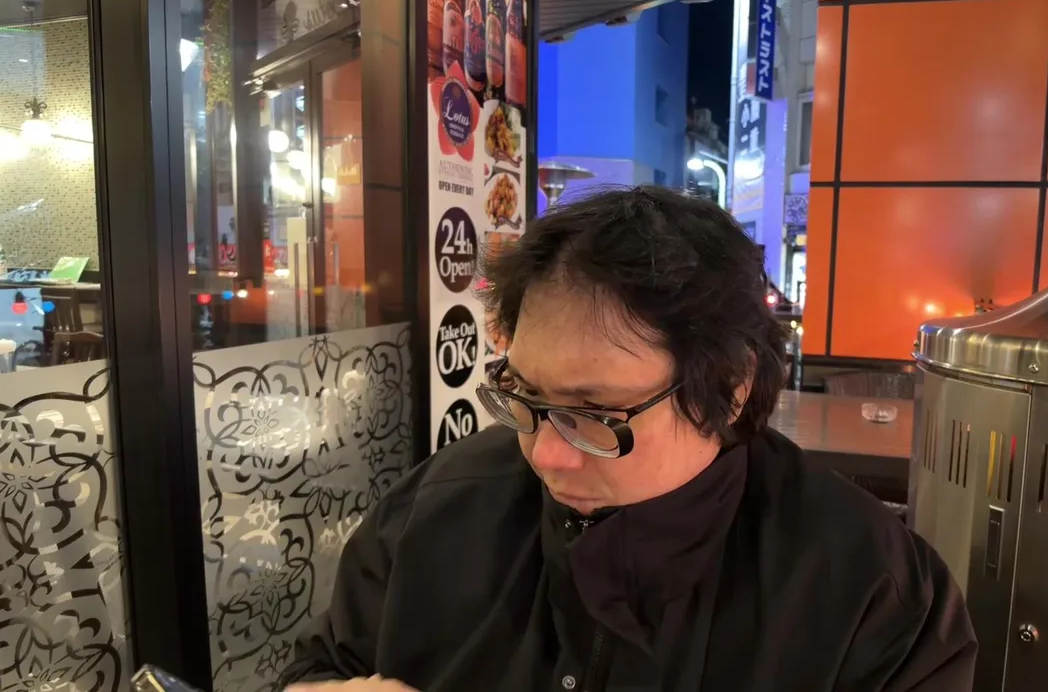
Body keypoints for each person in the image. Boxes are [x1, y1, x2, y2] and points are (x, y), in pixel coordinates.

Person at [282, 186, 976, 692]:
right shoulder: (436, 506)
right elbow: (325, 664)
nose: (546, 455)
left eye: (597, 412)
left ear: (730, 388)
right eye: (526, 394)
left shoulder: (870, 590)